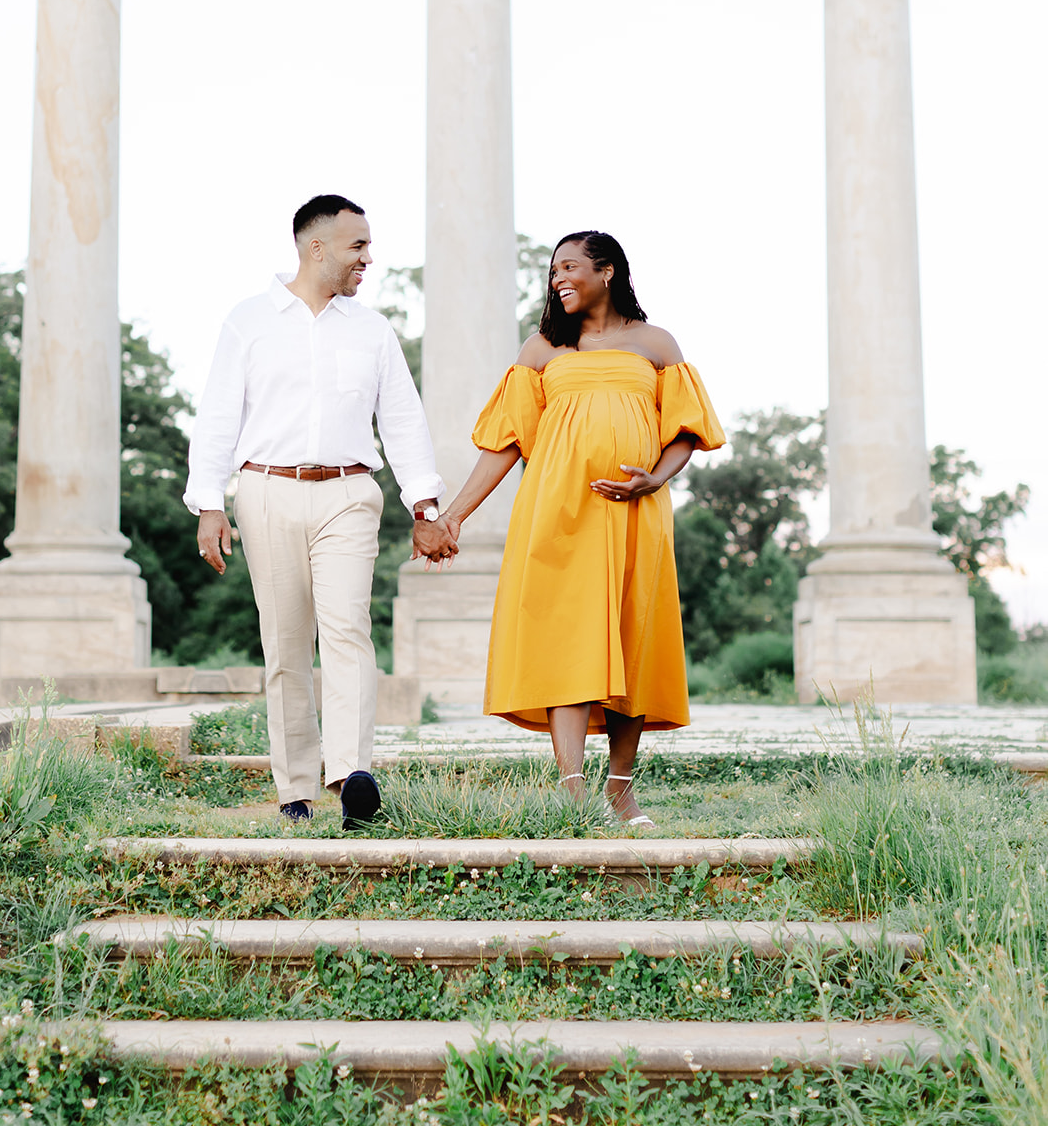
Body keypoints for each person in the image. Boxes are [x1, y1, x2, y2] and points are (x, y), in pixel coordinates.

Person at [184, 194, 456, 829]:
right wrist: (209, 503)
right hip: (265, 490)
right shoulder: (248, 321)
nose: (368, 258)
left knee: (346, 629)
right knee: (284, 644)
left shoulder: (372, 329)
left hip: (348, 494)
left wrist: (426, 505)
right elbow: (219, 414)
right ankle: (296, 788)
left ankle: (353, 773)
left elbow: (403, 420)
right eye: (358, 246)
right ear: (317, 248)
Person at [442, 231, 724, 827]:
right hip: (556, 516)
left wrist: (654, 479)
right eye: (553, 271)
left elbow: (686, 432)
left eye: (569, 266)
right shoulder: (541, 349)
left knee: (632, 638)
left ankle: (620, 789)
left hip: (633, 514)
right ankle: (574, 794)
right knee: (566, 641)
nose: (557, 278)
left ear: (609, 271)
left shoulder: (656, 344)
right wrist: (453, 515)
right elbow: (505, 444)